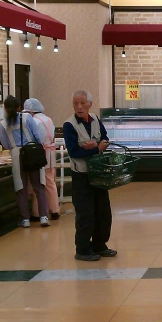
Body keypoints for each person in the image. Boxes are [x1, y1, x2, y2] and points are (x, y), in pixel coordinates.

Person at [63, 90, 115, 262]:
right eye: (75, 103)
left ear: (90, 104)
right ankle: (83, 249)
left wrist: (99, 145)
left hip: (98, 173)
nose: (79, 107)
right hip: (81, 176)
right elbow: (74, 151)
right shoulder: (69, 125)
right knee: (85, 214)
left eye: (82, 103)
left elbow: (105, 139)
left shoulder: (95, 119)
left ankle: (100, 245)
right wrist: (96, 148)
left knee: (103, 212)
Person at [0, 95, 50, 228]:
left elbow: (5, 144)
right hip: (31, 152)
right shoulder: (27, 118)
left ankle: (25, 219)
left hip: (16, 155)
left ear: (5, 108)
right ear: (19, 107)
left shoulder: (3, 124)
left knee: (21, 188)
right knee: (39, 186)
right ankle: (43, 216)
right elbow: (37, 135)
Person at [23, 98, 60, 220]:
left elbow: (30, 139)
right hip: (50, 154)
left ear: (31, 111)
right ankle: (54, 210)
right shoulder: (48, 119)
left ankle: (37, 213)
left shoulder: (33, 121)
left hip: (37, 155)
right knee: (50, 182)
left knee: (37, 184)